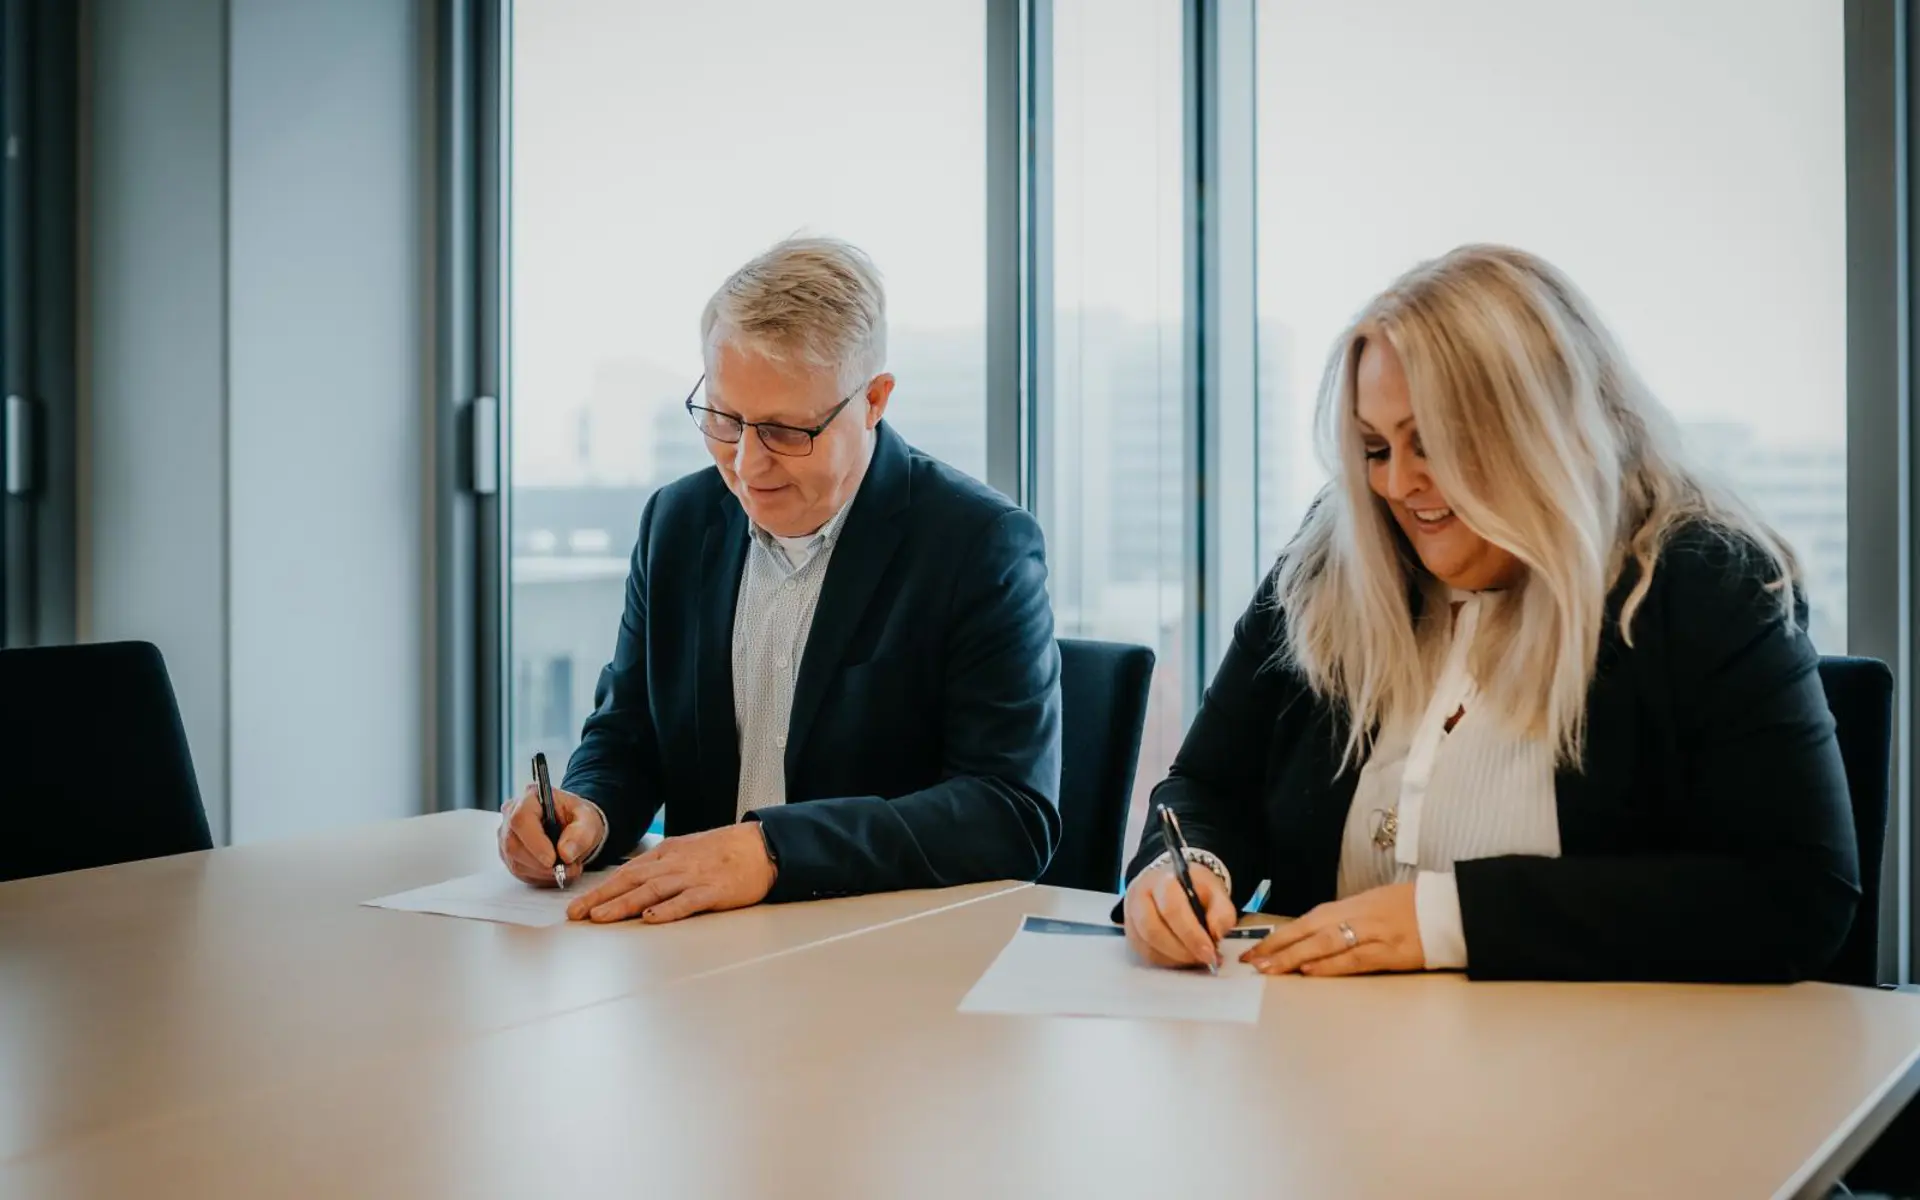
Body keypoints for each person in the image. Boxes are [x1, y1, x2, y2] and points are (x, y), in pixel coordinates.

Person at [1122, 244, 1860, 983]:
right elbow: (1207, 786)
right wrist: (1185, 866)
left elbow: (1796, 894)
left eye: (1433, 442)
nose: (1399, 484)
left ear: (1542, 432)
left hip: (1610, 1068)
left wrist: (1444, 920)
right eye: (1376, 447)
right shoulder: (1332, 558)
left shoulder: (1700, 581)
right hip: (1329, 1064)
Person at [498, 236, 1062, 923]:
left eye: (787, 431)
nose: (747, 465)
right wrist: (587, 809)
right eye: (725, 420)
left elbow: (1007, 813)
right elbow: (629, 734)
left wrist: (771, 851)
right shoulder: (677, 522)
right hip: (692, 956)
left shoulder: (978, 545)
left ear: (875, 400)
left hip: (885, 955)